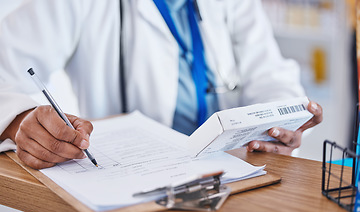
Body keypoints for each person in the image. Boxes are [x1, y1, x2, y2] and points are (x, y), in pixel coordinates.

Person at [0, 0, 322, 169]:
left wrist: (281, 123)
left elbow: (271, 76)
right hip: (134, 183)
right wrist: (18, 121)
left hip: (230, 172)